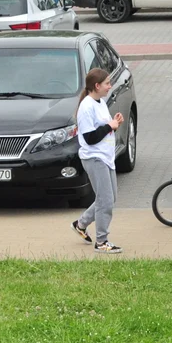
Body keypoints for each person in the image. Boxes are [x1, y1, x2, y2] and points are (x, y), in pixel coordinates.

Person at [71, 68, 124, 254]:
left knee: (110, 198)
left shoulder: (100, 102)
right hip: (95, 158)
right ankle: (101, 242)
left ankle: (81, 223)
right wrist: (110, 126)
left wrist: (114, 124)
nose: (110, 86)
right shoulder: (86, 107)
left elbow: (103, 129)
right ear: (97, 85)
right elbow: (90, 138)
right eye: (107, 83)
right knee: (105, 201)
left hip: (106, 158)